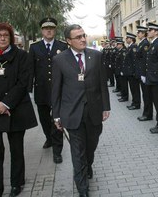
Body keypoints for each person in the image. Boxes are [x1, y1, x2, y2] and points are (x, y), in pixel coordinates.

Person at [0, 22, 38, 197]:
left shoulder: (22, 56)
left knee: (16, 148)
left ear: (11, 37)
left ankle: (17, 183)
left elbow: (23, 83)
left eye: (6, 35)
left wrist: (6, 104)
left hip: (16, 108)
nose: (2, 38)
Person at [51, 24, 110, 197]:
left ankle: (88, 164)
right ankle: (82, 188)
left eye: (83, 35)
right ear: (68, 41)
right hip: (71, 113)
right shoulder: (60, 60)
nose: (83, 39)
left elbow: (102, 83)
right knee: (77, 152)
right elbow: (56, 89)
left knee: (90, 146)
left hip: (94, 111)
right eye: (78, 37)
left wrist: (106, 107)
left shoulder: (96, 56)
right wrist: (56, 115)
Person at [28, 17, 68, 164]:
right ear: (42, 30)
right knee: (44, 119)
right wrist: (28, 89)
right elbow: (30, 68)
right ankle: (48, 138)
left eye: (51, 28)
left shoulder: (63, 46)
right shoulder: (34, 47)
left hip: (59, 90)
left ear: (55, 30)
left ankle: (57, 151)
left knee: (57, 119)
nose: (49, 30)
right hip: (41, 90)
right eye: (46, 28)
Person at [135, 26, 152, 121]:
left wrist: (144, 74)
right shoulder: (141, 43)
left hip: (144, 73)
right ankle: (146, 113)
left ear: (143, 33)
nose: (138, 34)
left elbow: (145, 60)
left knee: (146, 95)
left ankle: (147, 114)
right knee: (145, 94)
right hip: (141, 73)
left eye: (139, 32)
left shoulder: (145, 44)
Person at [122, 33, 141, 110]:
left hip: (133, 73)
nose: (126, 39)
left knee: (135, 89)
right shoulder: (129, 47)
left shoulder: (133, 47)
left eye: (127, 38)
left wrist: (134, 72)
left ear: (131, 39)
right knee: (132, 89)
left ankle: (136, 104)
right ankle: (134, 102)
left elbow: (135, 61)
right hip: (129, 72)